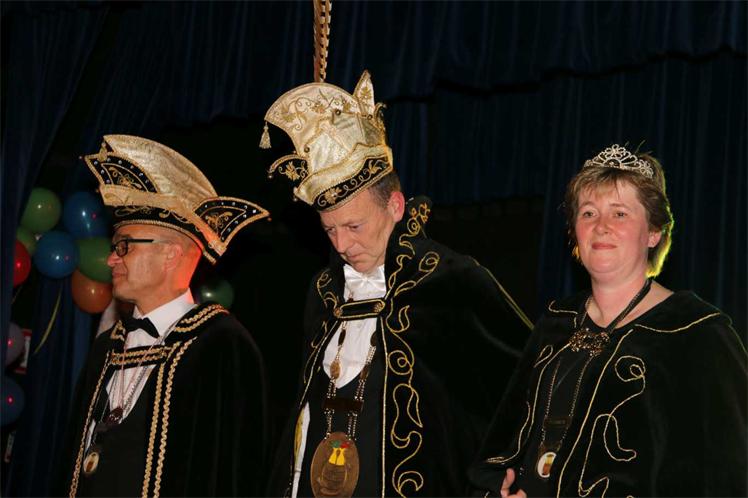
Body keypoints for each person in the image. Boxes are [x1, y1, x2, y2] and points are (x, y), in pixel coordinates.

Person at [260, 71, 532, 497]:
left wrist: (505, 479)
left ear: (396, 206)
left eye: (354, 226)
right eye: (329, 230)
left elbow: (526, 384)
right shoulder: (324, 293)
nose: (341, 245)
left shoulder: (446, 280)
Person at [470, 144, 747, 497]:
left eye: (619, 213)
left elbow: (728, 477)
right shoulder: (556, 324)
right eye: (588, 213)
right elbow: (501, 448)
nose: (601, 226)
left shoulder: (697, 333)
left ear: (654, 232)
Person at [57, 135, 270, 497]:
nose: (111, 258)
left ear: (170, 254)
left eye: (124, 245)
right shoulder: (107, 347)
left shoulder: (220, 347)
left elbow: (230, 477)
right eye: (114, 246)